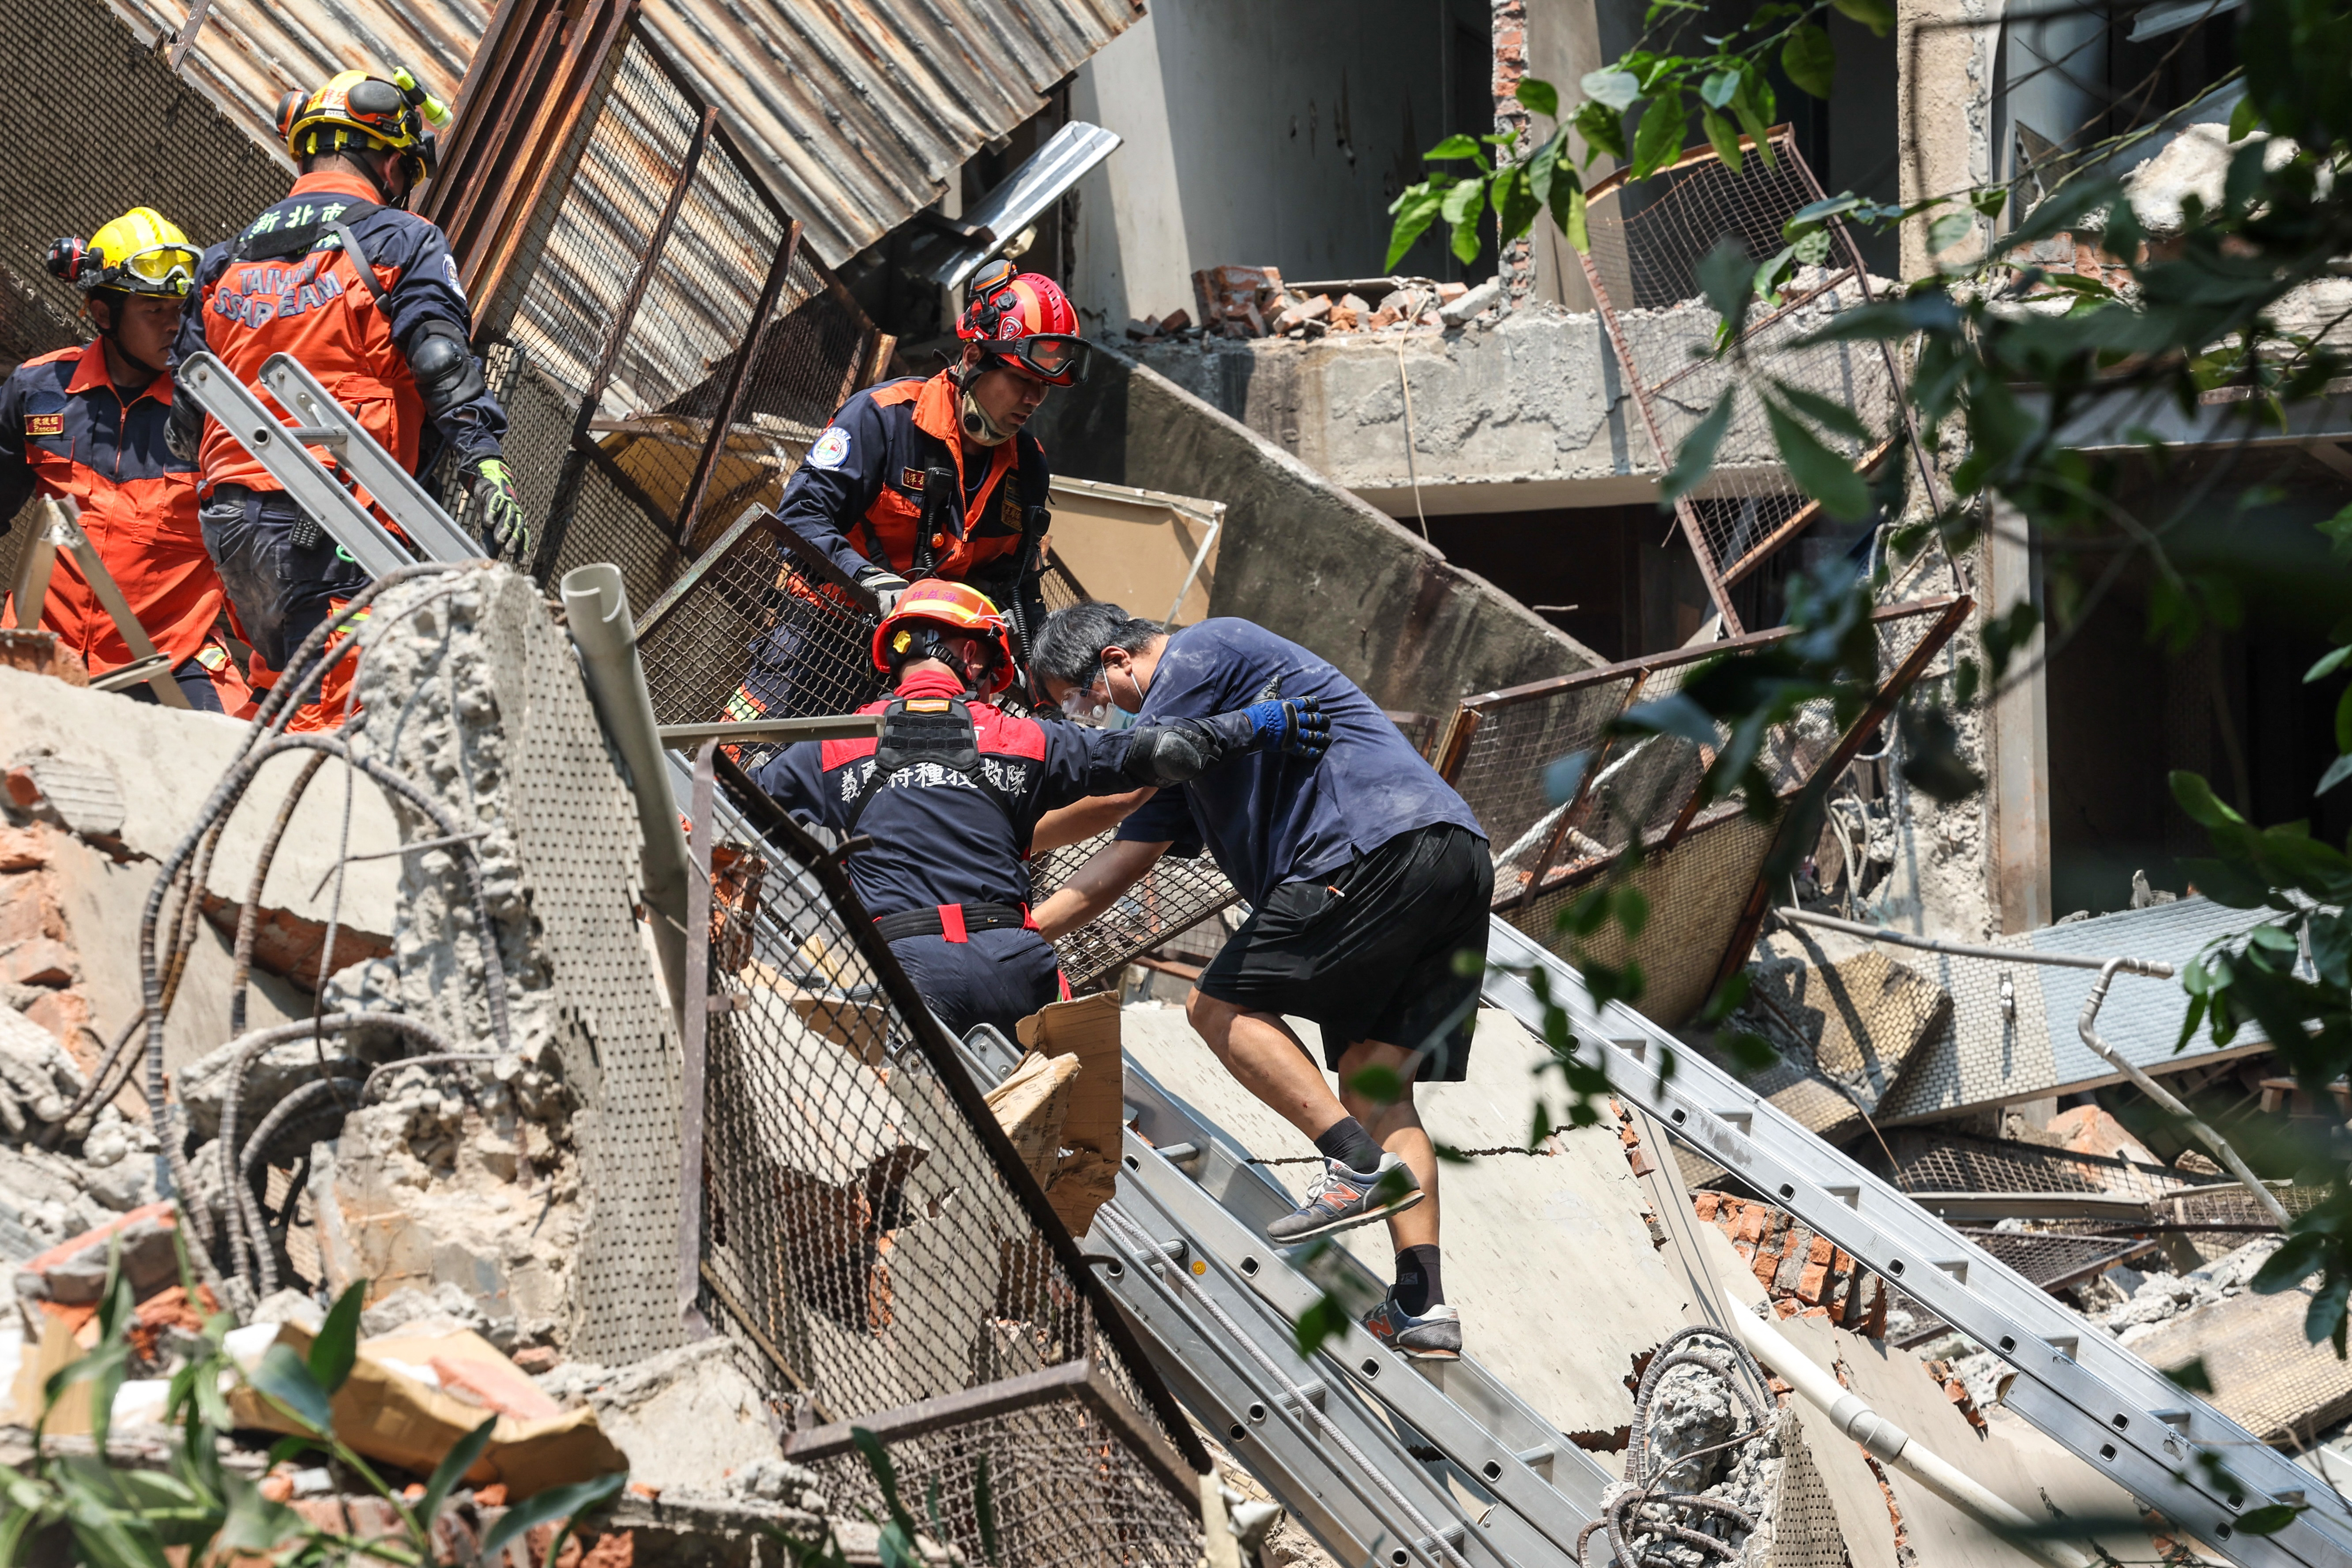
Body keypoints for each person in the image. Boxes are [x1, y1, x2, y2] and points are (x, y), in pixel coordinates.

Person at [1028, 604, 1493, 1361]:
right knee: (1376, 1086)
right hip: (1450, 858)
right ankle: (1422, 1302)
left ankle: (1353, 1163)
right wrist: (1019, 932)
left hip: (1363, 847)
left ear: (1114, 659)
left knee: (1215, 1005)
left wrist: (1005, 817)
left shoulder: (1202, 650)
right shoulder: (1182, 761)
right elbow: (1119, 861)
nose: (1090, 716)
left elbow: (1117, 790)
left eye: (1083, 697)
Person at [751, 579, 1326, 1039]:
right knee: (1067, 1137)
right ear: (973, 656)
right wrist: (1259, 723)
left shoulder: (827, 746)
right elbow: (1161, 753)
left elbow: (729, 808)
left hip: (909, 967)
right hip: (1022, 965)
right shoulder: (1018, 736)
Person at [169, 66, 519, 728]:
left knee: (281, 692)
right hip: (339, 519)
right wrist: (485, 464)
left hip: (233, 525)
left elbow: (185, 416)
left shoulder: (223, 261)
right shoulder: (401, 239)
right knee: (339, 722)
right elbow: (441, 359)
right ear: (389, 162)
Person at [727, 263, 1084, 725]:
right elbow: (799, 519)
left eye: (1046, 388)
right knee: (739, 765)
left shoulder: (1028, 466)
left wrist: (1054, 676)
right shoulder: (883, 419)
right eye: (1023, 380)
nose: (1034, 399)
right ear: (974, 357)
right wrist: (872, 583)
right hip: (818, 641)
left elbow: (1015, 585)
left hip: (932, 667)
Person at [0, 209, 249, 713]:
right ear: (103, 313)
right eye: (153, 310)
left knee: (232, 770)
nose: (174, 327)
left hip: (169, 660)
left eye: (181, 309)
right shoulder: (39, 391)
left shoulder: (216, 413)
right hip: (40, 648)